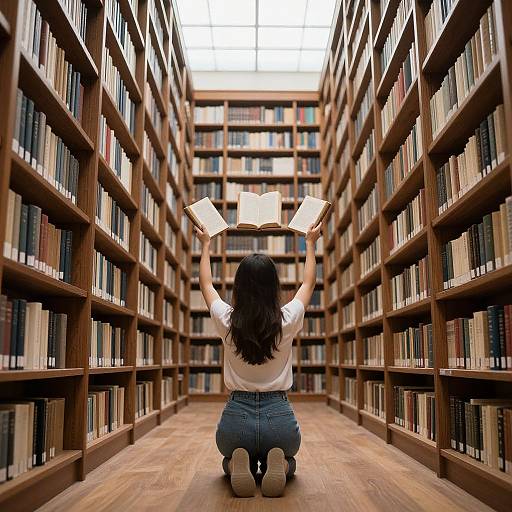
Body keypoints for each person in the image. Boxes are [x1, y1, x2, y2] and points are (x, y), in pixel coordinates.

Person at [194, 222, 322, 498]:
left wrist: (205, 244)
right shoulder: (287, 319)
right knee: (291, 462)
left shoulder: (226, 320)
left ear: (238, 287)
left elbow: (205, 284)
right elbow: (308, 282)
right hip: (280, 420)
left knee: (229, 462)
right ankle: (280, 462)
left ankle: (241, 462)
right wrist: (310, 243)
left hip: (236, 421)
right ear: (274, 287)